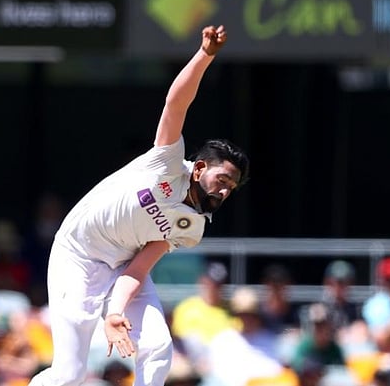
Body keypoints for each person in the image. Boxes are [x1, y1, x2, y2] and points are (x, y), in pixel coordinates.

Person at [27, 25, 249, 386]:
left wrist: (115, 311)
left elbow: (138, 267)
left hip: (121, 267)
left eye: (232, 188)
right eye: (222, 181)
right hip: (77, 256)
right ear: (201, 168)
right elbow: (176, 102)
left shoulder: (192, 227)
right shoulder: (167, 162)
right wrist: (205, 54)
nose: (224, 191)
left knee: (160, 346)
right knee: (69, 373)